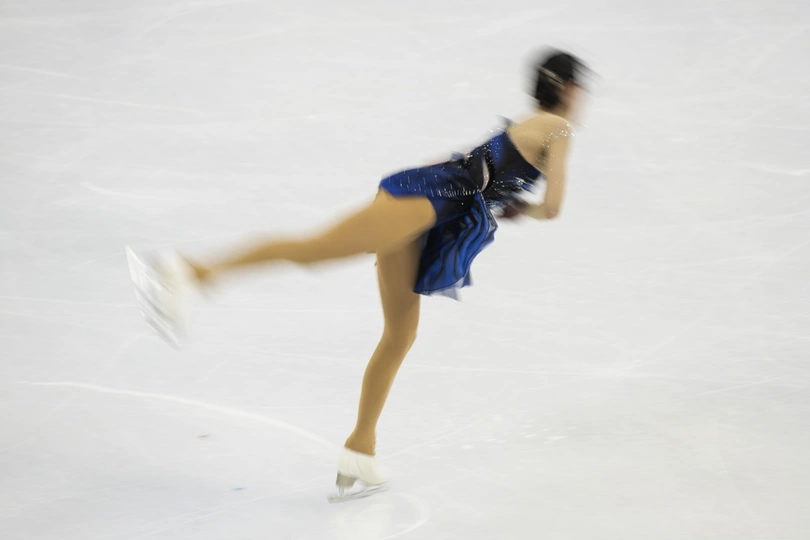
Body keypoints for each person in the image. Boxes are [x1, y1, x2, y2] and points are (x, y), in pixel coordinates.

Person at [181, 50, 587, 500]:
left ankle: (361, 448)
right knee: (315, 250)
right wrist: (522, 209)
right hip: (427, 203)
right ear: (570, 89)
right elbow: (552, 208)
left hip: (426, 206)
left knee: (399, 334)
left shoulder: (527, 123)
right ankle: (196, 271)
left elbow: (465, 163)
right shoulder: (558, 128)